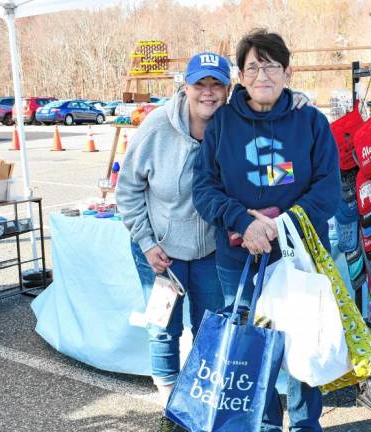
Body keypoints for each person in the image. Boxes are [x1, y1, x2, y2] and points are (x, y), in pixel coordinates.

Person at [117, 51, 310, 432]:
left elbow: (269, 101)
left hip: (208, 252)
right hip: (161, 253)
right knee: (163, 329)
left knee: (208, 330)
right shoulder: (156, 128)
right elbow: (127, 190)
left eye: (216, 85)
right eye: (199, 84)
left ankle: (198, 396)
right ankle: (171, 404)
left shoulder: (233, 123)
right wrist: (145, 242)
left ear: (228, 88)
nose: (207, 93)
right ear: (185, 86)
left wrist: (299, 99)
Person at [192, 29, 340, 432]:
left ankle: (307, 423)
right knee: (252, 348)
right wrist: (244, 222)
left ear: (287, 71)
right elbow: (204, 188)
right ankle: (267, 421)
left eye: (271, 65)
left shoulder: (311, 121)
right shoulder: (222, 123)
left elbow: (328, 188)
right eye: (253, 66)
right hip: (240, 258)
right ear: (240, 76)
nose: (262, 75)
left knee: (303, 339)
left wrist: (279, 226)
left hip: (300, 256)